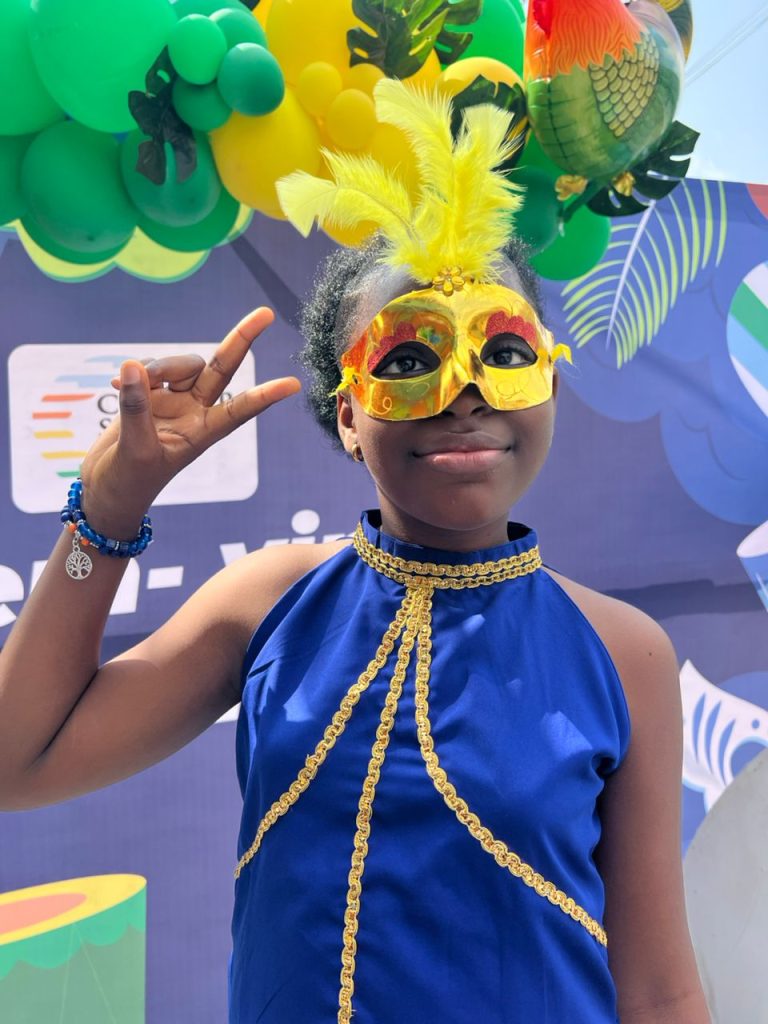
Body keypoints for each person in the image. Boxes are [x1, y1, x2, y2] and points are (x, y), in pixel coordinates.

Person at [0, 81, 710, 1023]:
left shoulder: (624, 651)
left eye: (503, 353)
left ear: (547, 377)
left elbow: (659, 990)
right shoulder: (271, 601)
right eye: (410, 360)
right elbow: (18, 760)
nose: (465, 393)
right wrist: (109, 507)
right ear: (347, 414)